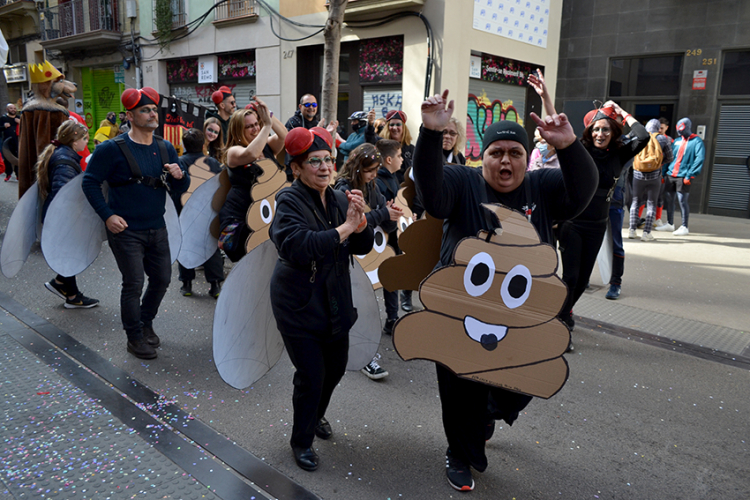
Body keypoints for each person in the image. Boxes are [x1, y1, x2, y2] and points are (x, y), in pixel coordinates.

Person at [414, 89, 597, 492]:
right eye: (497, 152)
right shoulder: (461, 181)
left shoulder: (542, 186)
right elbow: (431, 193)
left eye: (515, 152)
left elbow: (582, 194)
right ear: (484, 157)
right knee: (459, 387)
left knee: (523, 378)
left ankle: (488, 412)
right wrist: (430, 134)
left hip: (520, 312)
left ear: (524, 158)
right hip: (460, 311)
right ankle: (459, 454)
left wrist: (568, 147)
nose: (506, 161)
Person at [269, 127, 374, 472]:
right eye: (314, 161)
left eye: (328, 159)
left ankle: (316, 415)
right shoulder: (288, 200)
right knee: (311, 375)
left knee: (336, 367)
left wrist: (360, 226)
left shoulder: (341, 197)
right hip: (298, 302)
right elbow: (299, 245)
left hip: (334, 298)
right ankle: (301, 440)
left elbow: (361, 246)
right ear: (296, 168)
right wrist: (345, 228)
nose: (325, 167)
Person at [82, 87, 190, 360]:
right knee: (133, 283)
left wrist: (180, 176)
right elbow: (90, 182)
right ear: (130, 115)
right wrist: (107, 214)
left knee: (163, 279)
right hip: (126, 230)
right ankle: (134, 337)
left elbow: (179, 189)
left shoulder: (165, 147)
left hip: (157, 227)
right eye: (146, 110)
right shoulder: (111, 149)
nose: (153, 114)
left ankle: (145, 322)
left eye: (154, 109)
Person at [557, 102, 648, 327]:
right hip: (573, 224)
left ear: (613, 132)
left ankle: (564, 312)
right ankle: (562, 319)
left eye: (605, 129)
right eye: (596, 129)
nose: (600, 134)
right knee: (570, 278)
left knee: (582, 281)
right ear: (589, 132)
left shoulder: (619, 153)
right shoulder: (581, 150)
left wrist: (621, 113)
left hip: (597, 226)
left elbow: (643, 136)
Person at [334, 142, 401, 380]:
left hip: (368, 257)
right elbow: (351, 221)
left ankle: (358, 351)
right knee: (357, 306)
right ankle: (363, 356)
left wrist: (391, 214)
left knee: (364, 306)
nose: (374, 174)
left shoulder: (372, 186)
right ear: (357, 168)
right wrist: (384, 213)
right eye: (370, 169)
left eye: (376, 169)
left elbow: (385, 222)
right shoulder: (343, 187)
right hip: (349, 257)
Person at [38, 120, 100, 309]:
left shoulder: (62, 154)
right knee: (69, 254)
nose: (86, 143)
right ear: (74, 141)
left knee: (68, 252)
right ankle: (72, 296)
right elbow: (62, 193)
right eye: (84, 139)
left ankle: (62, 284)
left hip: (57, 215)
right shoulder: (65, 160)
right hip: (61, 216)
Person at [217, 99, 287, 262]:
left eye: (256, 124)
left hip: (264, 217)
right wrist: (266, 127)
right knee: (249, 268)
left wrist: (268, 115)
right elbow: (251, 154)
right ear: (237, 130)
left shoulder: (267, 146)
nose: (255, 129)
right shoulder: (233, 152)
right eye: (249, 126)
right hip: (239, 220)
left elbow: (284, 136)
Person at [175, 128, 224, 298]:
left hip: (185, 211)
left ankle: (187, 284)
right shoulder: (212, 163)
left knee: (185, 245)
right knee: (210, 246)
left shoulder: (179, 162)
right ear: (203, 145)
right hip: (208, 212)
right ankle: (215, 284)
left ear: (184, 145)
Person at [379, 109, 415, 311]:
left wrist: (415, 209)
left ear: (403, 127)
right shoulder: (381, 147)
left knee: (408, 256)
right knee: (392, 258)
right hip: (390, 209)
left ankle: (406, 297)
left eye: (397, 124)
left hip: (408, 208)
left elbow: (417, 183)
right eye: (391, 124)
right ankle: (392, 313)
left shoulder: (412, 149)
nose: (394, 127)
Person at [375, 138, 404, 335]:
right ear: (388, 159)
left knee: (392, 277)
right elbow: (384, 215)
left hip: (392, 238)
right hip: (383, 239)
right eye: (399, 156)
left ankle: (392, 318)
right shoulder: (380, 182)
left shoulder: (392, 177)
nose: (402, 159)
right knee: (384, 277)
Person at [656, 117, 705, 236]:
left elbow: (699, 158)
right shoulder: (677, 141)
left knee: (682, 200)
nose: (679, 131)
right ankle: (670, 223)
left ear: (688, 127)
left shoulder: (697, 141)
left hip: (683, 176)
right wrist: (664, 172)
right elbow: (668, 157)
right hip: (671, 174)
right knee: (669, 199)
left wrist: (690, 175)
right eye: (678, 129)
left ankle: (684, 226)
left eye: (682, 129)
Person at [627, 119, 674, 242]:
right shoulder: (663, 139)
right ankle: (646, 233)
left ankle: (632, 230)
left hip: (638, 175)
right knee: (651, 203)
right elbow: (670, 157)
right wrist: (658, 163)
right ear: (658, 128)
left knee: (635, 202)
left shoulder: (639, 137)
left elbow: (630, 153)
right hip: (655, 176)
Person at [1, 103, 20, 182]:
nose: (13, 110)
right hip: (7, 142)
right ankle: (8, 174)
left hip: (18, 141)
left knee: (18, 158)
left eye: (14, 108)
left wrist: (20, 122)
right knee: (7, 159)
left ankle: (18, 175)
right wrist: (3, 127)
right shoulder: (3, 118)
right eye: (11, 108)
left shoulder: (19, 118)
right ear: (7, 109)